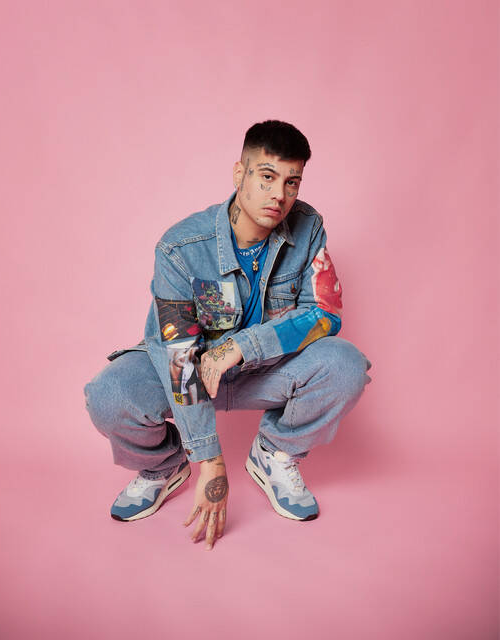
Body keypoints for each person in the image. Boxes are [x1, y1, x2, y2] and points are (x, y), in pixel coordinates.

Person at [84, 120, 372, 551]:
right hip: (191, 373)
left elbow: (325, 313)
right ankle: (163, 466)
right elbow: (178, 356)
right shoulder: (180, 248)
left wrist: (243, 345)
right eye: (267, 177)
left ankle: (274, 453)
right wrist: (209, 461)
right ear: (240, 174)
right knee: (108, 395)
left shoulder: (308, 227)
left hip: (266, 371)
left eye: (292, 182)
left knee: (345, 365)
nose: (280, 195)